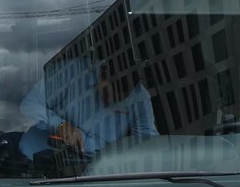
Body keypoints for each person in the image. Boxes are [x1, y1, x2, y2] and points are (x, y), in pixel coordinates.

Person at [18, 54, 157, 162]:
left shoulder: (140, 97)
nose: (113, 101)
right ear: (101, 74)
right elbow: (29, 104)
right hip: (33, 163)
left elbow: (148, 143)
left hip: (93, 176)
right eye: (108, 93)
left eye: (121, 99)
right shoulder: (70, 72)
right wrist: (60, 124)